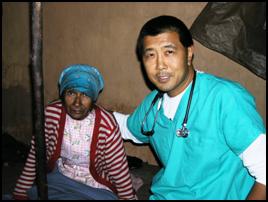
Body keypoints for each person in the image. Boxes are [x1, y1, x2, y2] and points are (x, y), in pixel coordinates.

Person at [113, 15, 266, 200]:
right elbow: (123, 126)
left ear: (189, 52)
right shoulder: (153, 104)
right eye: (151, 55)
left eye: (169, 52)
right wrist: (83, 106)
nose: (160, 65)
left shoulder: (224, 98)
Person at [12, 64, 136, 200]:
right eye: (71, 93)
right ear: (63, 94)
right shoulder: (51, 114)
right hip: (61, 176)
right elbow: (36, 153)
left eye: (85, 94)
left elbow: (118, 167)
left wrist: (127, 197)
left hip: (94, 184)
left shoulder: (106, 125)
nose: (77, 102)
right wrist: (21, 190)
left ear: (94, 98)